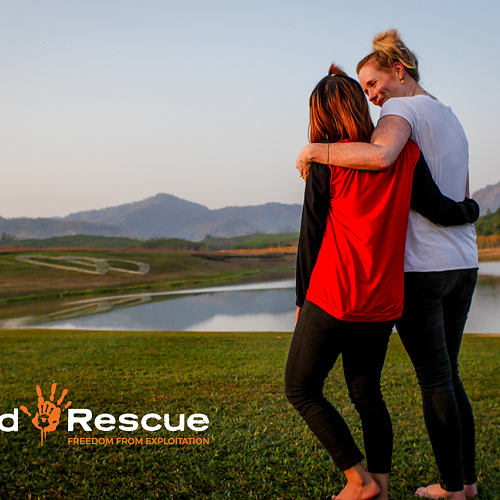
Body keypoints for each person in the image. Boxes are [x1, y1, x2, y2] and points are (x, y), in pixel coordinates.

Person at [295, 30, 478, 500]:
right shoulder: (428, 136)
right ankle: (417, 483)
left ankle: (371, 482)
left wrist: (314, 150)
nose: (376, 98)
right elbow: (441, 204)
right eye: (367, 92)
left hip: (364, 287)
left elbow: (313, 235)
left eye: (375, 84)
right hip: (419, 284)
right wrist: (473, 210)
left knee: (305, 388)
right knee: (389, 389)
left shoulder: (373, 135)